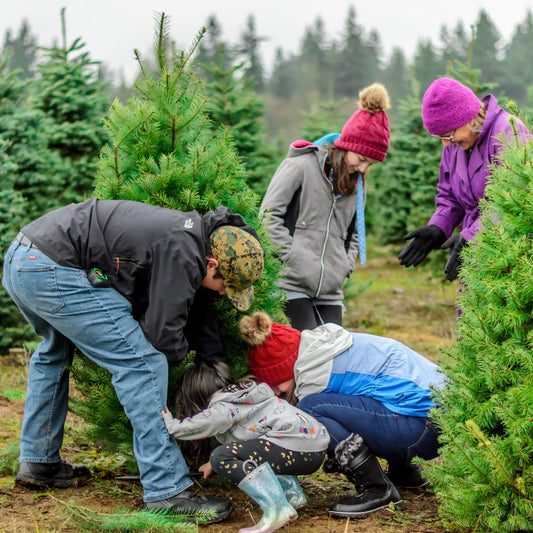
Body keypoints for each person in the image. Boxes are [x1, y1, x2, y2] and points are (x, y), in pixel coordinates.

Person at [1, 198, 264, 523]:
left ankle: (38, 461)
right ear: (211, 264)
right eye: (225, 285)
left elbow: (179, 304)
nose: (223, 293)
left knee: (54, 351)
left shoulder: (189, 235)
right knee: (143, 364)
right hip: (52, 267)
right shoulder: (183, 252)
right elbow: (162, 335)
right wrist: (184, 367)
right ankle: (166, 489)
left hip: (25, 258)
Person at [239, 311, 445, 518]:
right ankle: (404, 473)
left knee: (310, 409)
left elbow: (303, 431)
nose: (275, 392)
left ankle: (378, 489)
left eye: (273, 383)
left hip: (422, 432)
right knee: (372, 396)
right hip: (439, 421)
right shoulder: (326, 346)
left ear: (285, 369)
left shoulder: (315, 375)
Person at [260, 83, 391, 331]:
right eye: (361, 159)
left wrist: (344, 266)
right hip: (290, 284)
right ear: (346, 146)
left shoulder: (357, 185)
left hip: (330, 290)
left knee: (334, 355)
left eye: (370, 164)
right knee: (307, 352)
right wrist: (290, 258)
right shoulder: (301, 166)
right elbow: (268, 216)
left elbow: (353, 235)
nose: (363, 169)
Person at [162, 360, 329, 533]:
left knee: (221, 456)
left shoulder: (222, 406)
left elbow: (196, 426)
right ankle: (292, 495)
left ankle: (278, 510)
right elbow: (251, 444)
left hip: (295, 447)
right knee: (263, 448)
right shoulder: (246, 395)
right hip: (314, 447)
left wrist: (170, 423)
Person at [398, 77, 531, 281]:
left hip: (511, 252)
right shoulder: (455, 145)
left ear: (468, 118)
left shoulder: (508, 131)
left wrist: (471, 237)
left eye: (448, 135)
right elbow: (449, 194)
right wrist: (439, 226)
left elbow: (515, 198)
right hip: (473, 254)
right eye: (440, 137)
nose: (445, 144)